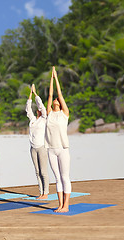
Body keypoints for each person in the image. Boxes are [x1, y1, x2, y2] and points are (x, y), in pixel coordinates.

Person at [46, 66, 71, 213]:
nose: (55, 99)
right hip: (51, 149)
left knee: (64, 177)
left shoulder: (64, 114)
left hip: (63, 149)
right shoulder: (49, 114)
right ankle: (60, 204)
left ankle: (66, 205)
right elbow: (50, 95)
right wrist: (50, 79)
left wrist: (56, 78)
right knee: (57, 178)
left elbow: (59, 94)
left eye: (57, 100)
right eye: (54, 100)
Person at [26, 83, 49, 200]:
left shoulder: (44, 119)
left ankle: (46, 192)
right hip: (33, 147)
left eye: (39, 110)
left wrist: (35, 95)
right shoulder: (33, 120)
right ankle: (41, 192)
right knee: (37, 171)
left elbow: (41, 106)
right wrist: (29, 95)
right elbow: (28, 109)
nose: (38, 111)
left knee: (43, 171)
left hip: (41, 147)